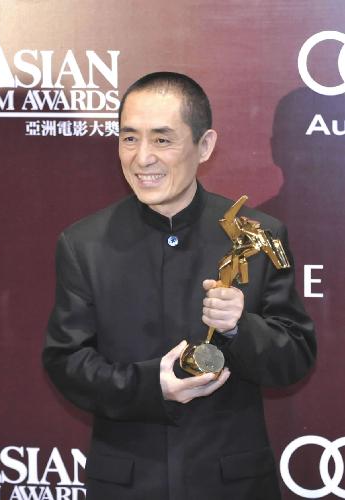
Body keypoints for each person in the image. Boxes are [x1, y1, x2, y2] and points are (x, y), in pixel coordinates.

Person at [42, 72, 316, 500]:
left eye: (163, 140)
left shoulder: (257, 235)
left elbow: (295, 358)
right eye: (129, 138)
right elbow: (67, 364)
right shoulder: (83, 244)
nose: (142, 158)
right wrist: (153, 386)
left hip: (233, 485)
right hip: (127, 485)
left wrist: (241, 328)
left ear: (204, 146)